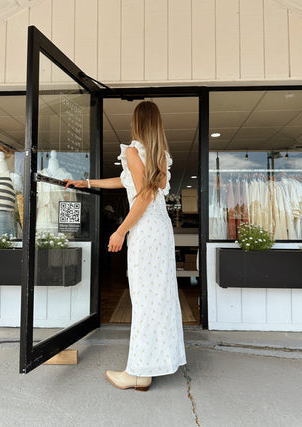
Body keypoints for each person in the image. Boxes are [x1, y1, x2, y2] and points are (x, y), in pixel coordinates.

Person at [64, 101, 186, 391]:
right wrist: (88, 182)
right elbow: (126, 181)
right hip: (161, 229)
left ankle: (138, 372)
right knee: (159, 297)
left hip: (144, 229)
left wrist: (119, 231)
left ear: (137, 123)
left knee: (145, 299)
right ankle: (157, 362)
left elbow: (142, 197)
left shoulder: (133, 150)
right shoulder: (160, 155)